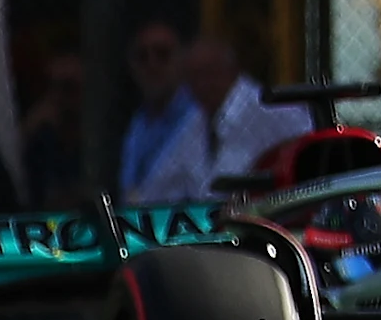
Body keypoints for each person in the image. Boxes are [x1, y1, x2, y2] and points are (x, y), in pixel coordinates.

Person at [129, 35, 310, 201]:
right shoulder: (196, 121)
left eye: (208, 73)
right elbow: (163, 180)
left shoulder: (270, 109)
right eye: (193, 77)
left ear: (230, 70)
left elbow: (309, 152)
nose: (202, 84)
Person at [118, 19, 194, 197]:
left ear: (182, 60)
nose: (152, 65)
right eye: (142, 56)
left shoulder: (199, 115)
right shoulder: (138, 122)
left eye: (163, 54)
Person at [22, 50, 87, 206]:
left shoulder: (104, 142)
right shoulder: (41, 140)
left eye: (69, 87)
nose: (60, 97)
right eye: (53, 87)